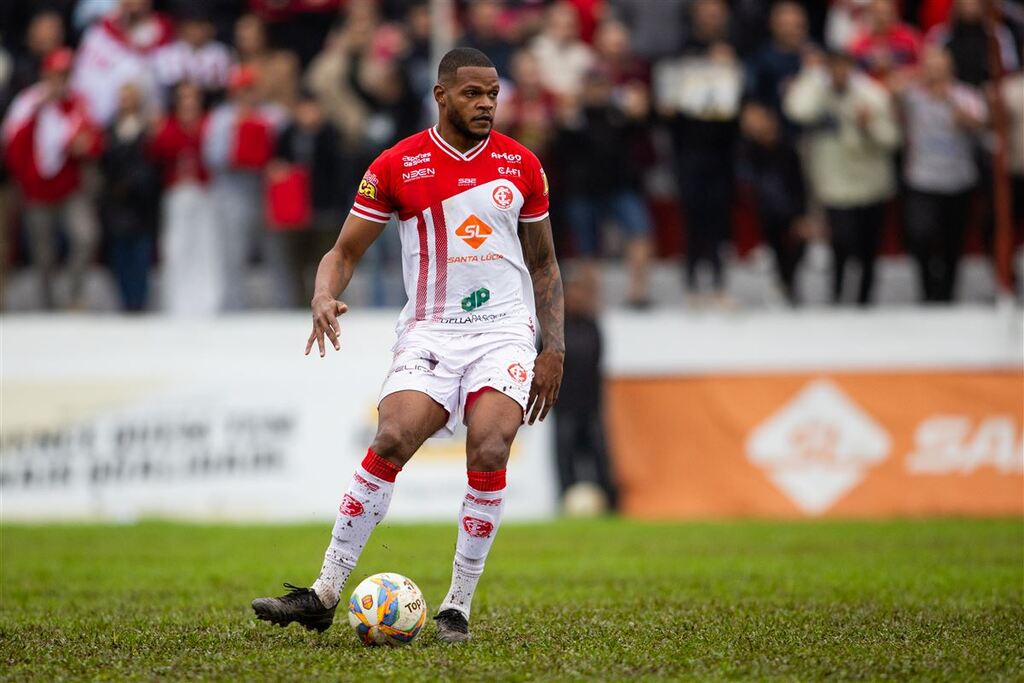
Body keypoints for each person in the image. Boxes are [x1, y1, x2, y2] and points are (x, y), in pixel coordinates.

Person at [251, 47, 564, 644]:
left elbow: (545, 265)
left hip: (504, 329)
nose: (486, 105)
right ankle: (322, 593)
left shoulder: (522, 165)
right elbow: (343, 252)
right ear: (441, 95)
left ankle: (457, 607)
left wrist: (555, 350)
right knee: (392, 436)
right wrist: (323, 294)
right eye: (473, 94)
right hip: (429, 329)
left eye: (493, 94)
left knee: (491, 444)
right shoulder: (398, 166)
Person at [785, 49, 901, 305]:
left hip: (871, 183)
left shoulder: (872, 95)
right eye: (833, 68)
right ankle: (837, 297)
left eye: (844, 67)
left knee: (868, 246)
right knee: (841, 242)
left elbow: (893, 139)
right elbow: (796, 110)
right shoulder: (818, 94)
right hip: (834, 183)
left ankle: (864, 300)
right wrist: (813, 76)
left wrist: (869, 125)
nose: (839, 73)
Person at [2, 48, 103, 310]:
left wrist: (85, 146)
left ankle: (74, 294)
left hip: (69, 188)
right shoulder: (28, 103)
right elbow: (12, 145)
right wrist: (27, 178)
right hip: (37, 190)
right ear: (46, 75)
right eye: (57, 75)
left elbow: (94, 141)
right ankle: (47, 303)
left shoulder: (79, 104)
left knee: (85, 236)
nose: (61, 81)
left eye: (66, 75)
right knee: (42, 252)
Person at [895, 44, 987, 303]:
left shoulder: (966, 94)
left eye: (940, 67)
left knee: (953, 241)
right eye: (931, 66)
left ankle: (947, 293)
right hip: (922, 178)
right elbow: (891, 88)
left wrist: (953, 105)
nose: (935, 72)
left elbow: (981, 125)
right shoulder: (914, 95)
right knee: (920, 234)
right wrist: (914, 75)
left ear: (950, 68)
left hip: (958, 179)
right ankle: (927, 289)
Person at [147, 81, 221, 316]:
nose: (188, 103)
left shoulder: (209, 123)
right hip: (177, 194)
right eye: (184, 98)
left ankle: (208, 303)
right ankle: (176, 303)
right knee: (177, 247)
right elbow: (158, 150)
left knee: (206, 247)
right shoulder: (168, 124)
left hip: (204, 193)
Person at [553, 265, 618, 511]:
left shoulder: (592, 325)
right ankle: (566, 504)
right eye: (574, 291)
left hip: (591, 407)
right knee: (565, 460)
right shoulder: (555, 328)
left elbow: (597, 363)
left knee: (600, 458)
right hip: (565, 407)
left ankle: (610, 505)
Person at [737, 102, 808, 305]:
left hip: (791, 207)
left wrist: (802, 214)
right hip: (765, 210)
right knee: (776, 248)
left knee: (796, 246)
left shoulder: (788, 148)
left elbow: (800, 183)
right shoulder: (747, 149)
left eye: (760, 119)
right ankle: (784, 285)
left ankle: (788, 284)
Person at [99, 82, 161, 312]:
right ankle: (124, 303)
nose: (126, 102)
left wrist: (136, 183)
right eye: (123, 98)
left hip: (142, 202)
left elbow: (151, 163)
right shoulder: (110, 128)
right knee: (120, 254)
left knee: (141, 254)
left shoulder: (148, 128)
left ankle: (139, 302)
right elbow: (104, 162)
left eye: (130, 97)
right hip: (116, 202)